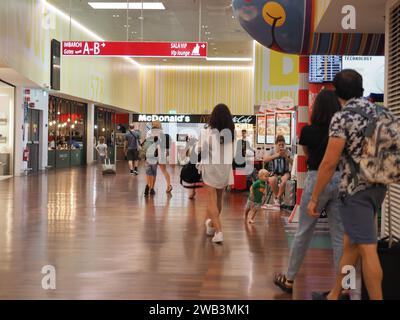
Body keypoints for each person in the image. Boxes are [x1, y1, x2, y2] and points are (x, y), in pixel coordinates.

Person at [308, 70, 388, 300]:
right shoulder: (379, 111)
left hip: (356, 191)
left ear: (336, 92)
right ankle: (334, 294)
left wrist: (315, 197)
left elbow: (329, 162)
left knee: (367, 249)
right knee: (351, 244)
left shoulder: (343, 117)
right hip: (378, 186)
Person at [272, 89, 345, 296]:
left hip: (315, 179)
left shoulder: (307, 131)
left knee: (304, 231)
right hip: (340, 179)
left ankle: (289, 279)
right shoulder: (341, 131)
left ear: (316, 108)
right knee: (340, 236)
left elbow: (308, 155)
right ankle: (344, 286)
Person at [197, 104, 235, 244]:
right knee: (219, 199)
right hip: (224, 171)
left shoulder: (208, 132)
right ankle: (212, 226)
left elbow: (198, 149)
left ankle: (219, 232)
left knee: (211, 200)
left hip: (211, 169)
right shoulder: (231, 134)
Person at [263, 135, 293, 209]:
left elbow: (293, 163)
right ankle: (280, 200)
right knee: (272, 180)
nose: (281, 146)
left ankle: (277, 199)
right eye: (279, 145)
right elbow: (265, 160)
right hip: (274, 172)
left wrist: (286, 156)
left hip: (285, 172)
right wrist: (276, 155)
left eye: (283, 144)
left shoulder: (287, 151)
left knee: (284, 180)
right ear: (276, 145)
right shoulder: (272, 151)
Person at [148, 121, 173, 194]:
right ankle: (169, 185)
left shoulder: (151, 132)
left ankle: (152, 188)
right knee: (164, 171)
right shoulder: (163, 133)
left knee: (153, 172)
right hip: (162, 154)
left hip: (154, 154)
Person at [142, 133, 159, 197]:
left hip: (147, 161)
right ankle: (152, 189)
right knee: (154, 175)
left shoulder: (148, 143)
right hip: (154, 162)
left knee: (148, 174)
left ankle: (147, 187)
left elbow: (143, 150)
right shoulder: (158, 145)